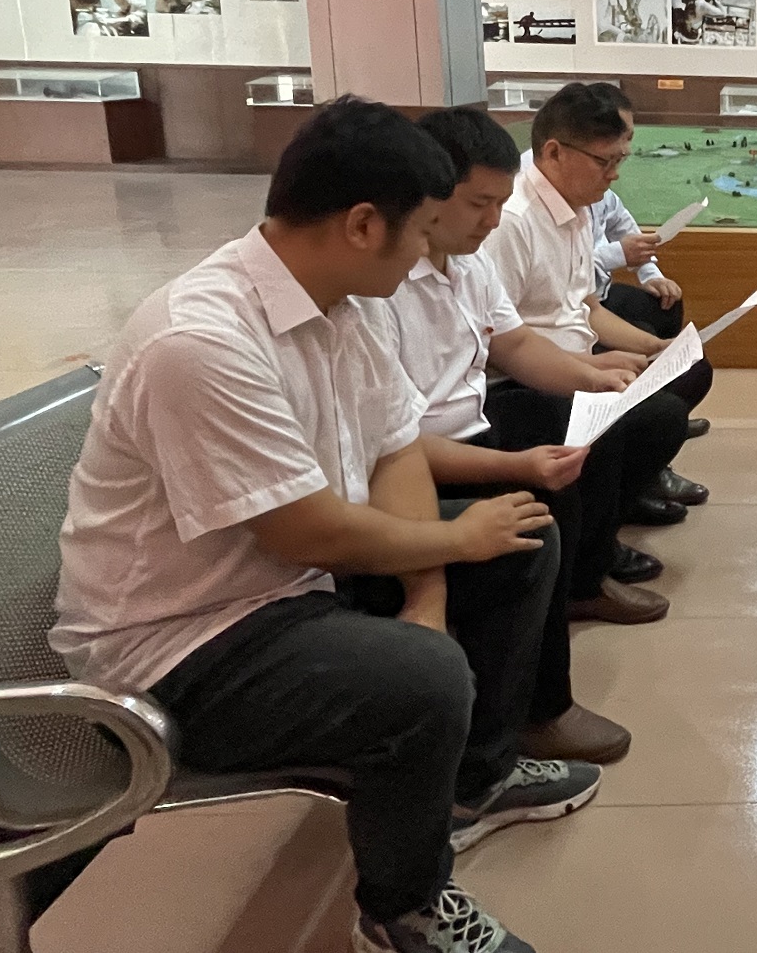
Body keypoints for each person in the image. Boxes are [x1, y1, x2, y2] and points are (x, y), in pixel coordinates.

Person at [50, 97, 599, 953]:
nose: (429, 254)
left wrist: (427, 599)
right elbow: (304, 533)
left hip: (290, 589)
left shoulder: (348, 302)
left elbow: (395, 454)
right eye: (423, 231)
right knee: (423, 674)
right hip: (179, 647)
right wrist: (452, 549)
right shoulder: (200, 340)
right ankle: (403, 905)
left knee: (523, 543)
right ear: (362, 224)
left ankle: (477, 780)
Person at [365, 109, 677, 760]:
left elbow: (517, 344)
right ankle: (534, 715)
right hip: (418, 462)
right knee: (535, 525)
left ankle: (574, 605)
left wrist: (596, 377)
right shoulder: (378, 287)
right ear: (425, 196)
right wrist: (518, 465)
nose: (491, 219)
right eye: (478, 204)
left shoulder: (466, 261)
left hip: (469, 432)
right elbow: (389, 446)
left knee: (585, 442)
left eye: (498, 203)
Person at [483, 82, 710, 526]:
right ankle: (599, 546)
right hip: (520, 381)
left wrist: (656, 349)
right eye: (605, 161)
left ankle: (624, 498)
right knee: (654, 415)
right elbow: (502, 346)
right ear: (554, 153)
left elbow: (590, 308)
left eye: (620, 160)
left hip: (568, 359)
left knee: (688, 369)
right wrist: (589, 371)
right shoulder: (512, 222)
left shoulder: (578, 206)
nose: (614, 175)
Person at [578, 83, 711, 439]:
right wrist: (619, 254)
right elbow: (571, 286)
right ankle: (656, 420)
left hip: (594, 299)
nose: (624, 152)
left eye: (628, 140)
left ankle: (666, 417)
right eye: (619, 140)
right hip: (577, 321)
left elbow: (622, 224)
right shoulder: (535, 205)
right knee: (652, 343)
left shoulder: (595, 182)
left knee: (665, 303)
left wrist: (649, 273)